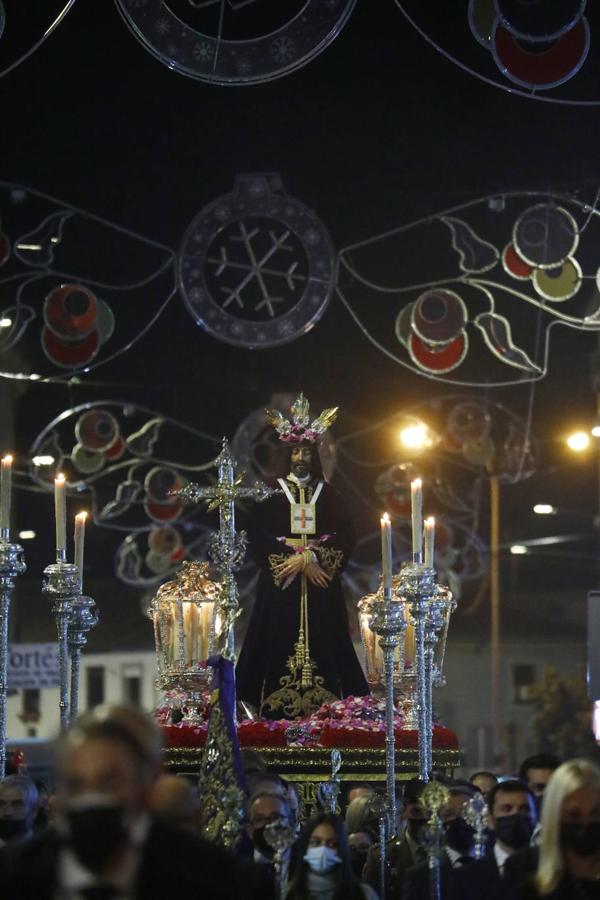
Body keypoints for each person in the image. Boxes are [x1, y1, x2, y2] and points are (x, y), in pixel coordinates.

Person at [0, 705, 235, 899]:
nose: (93, 798)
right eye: (76, 784)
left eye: (110, 783)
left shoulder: (216, 881)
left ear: (149, 782)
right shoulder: (11, 875)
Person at [237, 394, 367, 718]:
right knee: (272, 637)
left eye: (306, 452)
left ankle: (333, 709)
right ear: (287, 455)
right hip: (282, 586)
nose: (300, 458)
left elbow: (347, 534)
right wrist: (291, 560)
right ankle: (266, 706)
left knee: (328, 638)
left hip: (321, 584)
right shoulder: (271, 497)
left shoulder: (331, 495)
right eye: (295, 452)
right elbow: (258, 535)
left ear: (315, 457)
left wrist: (313, 558)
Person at [515, 758, 600, 899]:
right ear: (555, 815)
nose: (586, 822)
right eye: (574, 815)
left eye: (595, 813)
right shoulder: (524, 868)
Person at [453, 777, 537, 900]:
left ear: (535, 817)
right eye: (507, 809)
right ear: (490, 820)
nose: (515, 814)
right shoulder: (466, 878)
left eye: (524, 809)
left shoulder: (552, 871)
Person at [403, 781, 478, 900]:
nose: (458, 820)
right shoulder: (422, 875)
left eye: (466, 814)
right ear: (438, 821)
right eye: (449, 815)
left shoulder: (496, 865)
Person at [285, 812, 377, 899]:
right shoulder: (288, 893)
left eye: (332, 844)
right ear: (306, 846)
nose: (323, 849)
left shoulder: (364, 893)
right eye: (316, 842)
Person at [363, 779, 428, 898]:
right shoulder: (381, 856)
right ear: (404, 810)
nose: (425, 820)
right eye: (417, 812)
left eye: (431, 813)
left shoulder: (451, 852)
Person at [0, 775, 39, 845]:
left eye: (17, 805)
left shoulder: (47, 851)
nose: (7, 812)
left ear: (34, 811)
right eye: (1, 804)